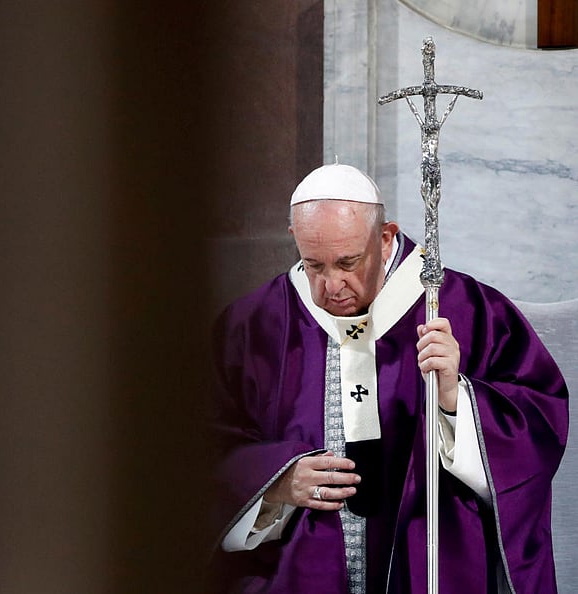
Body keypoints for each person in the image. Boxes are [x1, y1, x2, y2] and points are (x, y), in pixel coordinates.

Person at [208, 163, 569, 593]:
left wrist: (456, 400)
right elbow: (204, 446)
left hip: (430, 567)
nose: (331, 286)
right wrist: (274, 482)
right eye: (313, 264)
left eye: (348, 262)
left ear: (385, 238)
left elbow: (538, 426)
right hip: (298, 572)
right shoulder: (254, 325)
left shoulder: (464, 309)